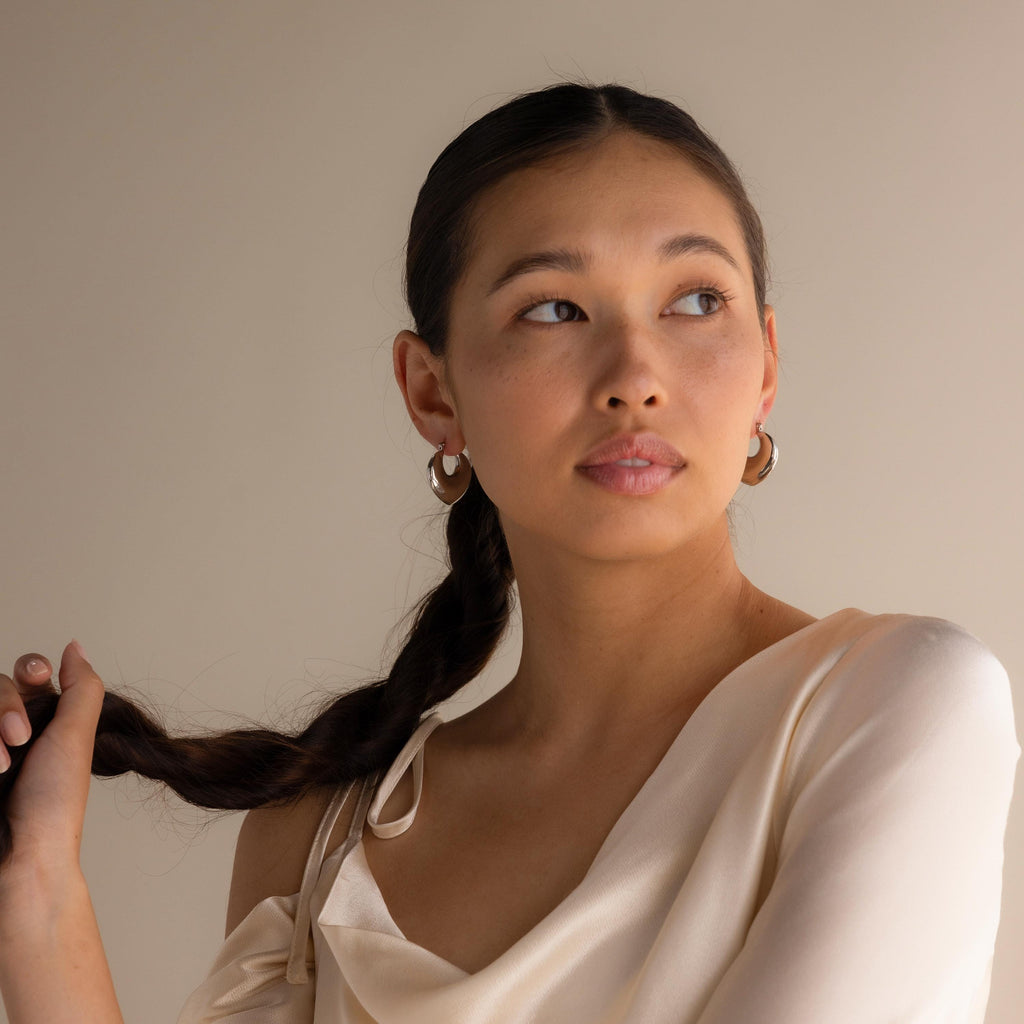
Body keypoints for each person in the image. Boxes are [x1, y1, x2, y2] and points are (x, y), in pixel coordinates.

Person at [0, 82, 1019, 1024]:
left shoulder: (895, 705)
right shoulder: (316, 841)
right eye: (553, 309)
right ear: (431, 392)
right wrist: (38, 897)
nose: (635, 375)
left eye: (696, 299)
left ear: (766, 365)